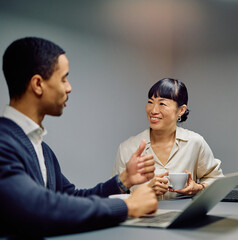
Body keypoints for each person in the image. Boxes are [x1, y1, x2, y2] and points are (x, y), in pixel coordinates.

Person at [0, 37, 158, 237]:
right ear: (38, 84)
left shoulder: (41, 148)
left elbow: (69, 198)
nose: (69, 87)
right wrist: (126, 206)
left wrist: (123, 180)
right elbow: (38, 207)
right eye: (63, 78)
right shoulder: (3, 142)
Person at [113, 78, 224, 200]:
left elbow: (216, 179)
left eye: (162, 104)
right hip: (141, 218)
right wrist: (145, 192)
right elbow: (116, 197)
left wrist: (197, 188)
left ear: (181, 110)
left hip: (184, 218)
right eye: (150, 102)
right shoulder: (128, 148)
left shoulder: (195, 142)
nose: (153, 110)